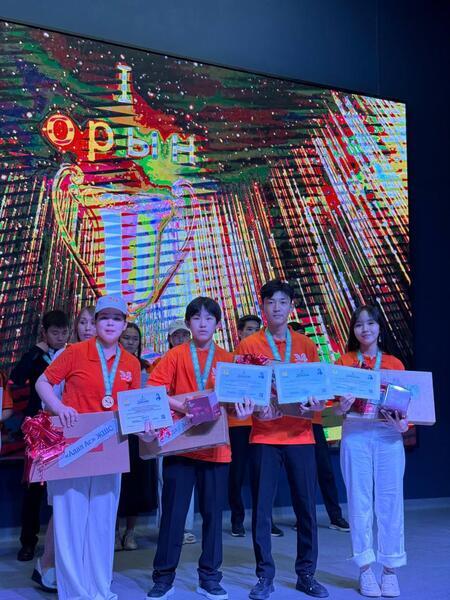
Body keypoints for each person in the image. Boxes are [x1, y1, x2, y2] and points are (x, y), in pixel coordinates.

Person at [35, 295, 148, 600]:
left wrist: (146, 428)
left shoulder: (131, 363)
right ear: (96, 323)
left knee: (102, 522)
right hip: (73, 445)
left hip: (111, 448)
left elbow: (133, 408)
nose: (110, 323)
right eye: (104, 317)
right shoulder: (75, 353)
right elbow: (42, 383)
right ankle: (74, 592)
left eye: (116, 318)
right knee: (70, 522)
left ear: (124, 324)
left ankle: (99, 588)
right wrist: (59, 407)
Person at [147, 297, 253, 600]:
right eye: (196, 318)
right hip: (181, 447)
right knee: (173, 516)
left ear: (218, 324)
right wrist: (183, 406)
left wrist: (243, 410)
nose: (203, 323)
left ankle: (210, 577)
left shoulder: (229, 359)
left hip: (217, 449)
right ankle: (163, 578)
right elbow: (154, 389)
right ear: (188, 323)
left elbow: (236, 402)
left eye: (209, 318)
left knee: (212, 516)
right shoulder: (175, 355)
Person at [235, 279, 328, 599]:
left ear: (291, 306)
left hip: (301, 436)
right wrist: (250, 408)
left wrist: (316, 404)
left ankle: (307, 574)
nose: (276, 307)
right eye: (270, 302)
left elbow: (319, 391)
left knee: (306, 509)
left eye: (282, 302)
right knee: (262, 510)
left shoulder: (306, 345)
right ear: (262, 306)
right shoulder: (249, 345)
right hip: (264, 436)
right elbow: (242, 391)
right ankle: (264, 576)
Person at [335, 304, 407, 598]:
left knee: (391, 502)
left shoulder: (394, 363)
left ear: (379, 327)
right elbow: (333, 410)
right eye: (359, 324)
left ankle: (390, 570)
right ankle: (365, 569)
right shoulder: (344, 362)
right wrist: (341, 406)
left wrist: (403, 425)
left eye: (370, 323)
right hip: (355, 434)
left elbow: (407, 410)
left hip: (388, 436)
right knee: (359, 501)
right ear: (353, 330)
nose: (365, 329)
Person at [32, 305, 97, 592]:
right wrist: (63, 411)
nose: (87, 328)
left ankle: (80, 568)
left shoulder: (108, 359)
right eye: (82, 322)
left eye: (92, 322)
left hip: (99, 441)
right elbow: (47, 398)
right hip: (65, 438)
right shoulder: (65, 355)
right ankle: (47, 564)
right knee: (62, 506)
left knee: (89, 508)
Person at [9, 310, 70, 562]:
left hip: (65, 425)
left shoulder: (72, 354)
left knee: (64, 488)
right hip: (37, 427)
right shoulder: (35, 356)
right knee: (33, 486)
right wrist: (36, 350)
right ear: (44, 332)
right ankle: (28, 542)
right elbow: (16, 378)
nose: (60, 337)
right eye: (55, 332)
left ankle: (62, 544)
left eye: (64, 332)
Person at [288, 321, 349, 533]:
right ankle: (302, 518)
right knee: (301, 476)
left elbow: (324, 389)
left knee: (325, 471)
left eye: (303, 334)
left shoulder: (311, 355)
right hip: (291, 424)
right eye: (297, 334)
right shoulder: (284, 360)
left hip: (313, 423)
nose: (301, 338)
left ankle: (335, 516)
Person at [228, 314, 283, 538]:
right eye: (249, 329)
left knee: (262, 475)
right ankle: (237, 520)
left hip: (262, 424)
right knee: (237, 473)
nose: (253, 333)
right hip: (238, 424)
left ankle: (265, 520)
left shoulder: (266, 360)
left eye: (256, 330)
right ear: (240, 333)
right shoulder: (233, 359)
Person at [153, 319, 197, 545]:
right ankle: (166, 526)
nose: (180, 339)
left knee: (188, 477)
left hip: (191, 425)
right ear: (169, 339)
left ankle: (185, 528)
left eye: (184, 335)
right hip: (167, 428)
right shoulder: (161, 362)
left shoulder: (196, 361)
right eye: (176, 335)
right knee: (164, 478)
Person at [117, 322, 157, 551]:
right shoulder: (110, 364)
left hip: (139, 432)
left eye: (135, 338)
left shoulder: (145, 367)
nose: (131, 342)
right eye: (126, 338)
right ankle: (114, 532)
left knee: (135, 483)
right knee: (116, 483)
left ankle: (130, 532)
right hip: (115, 431)